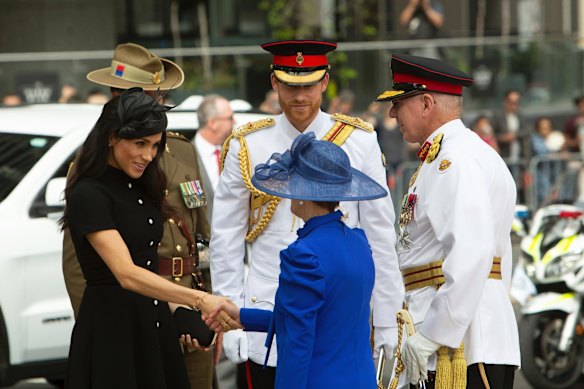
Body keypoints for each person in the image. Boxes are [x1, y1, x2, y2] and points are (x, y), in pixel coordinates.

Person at [210, 39, 403, 388]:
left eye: (309, 85)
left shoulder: (358, 140)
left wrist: (387, 316)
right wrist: (229, 311)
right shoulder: (247, 143)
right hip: (266, 315)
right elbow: (226, 237)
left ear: (326, 82)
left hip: (339, 319)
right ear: (273, 82)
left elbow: (379, 236)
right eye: (289, 85)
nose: (300, 96)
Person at [61, 42, 219, 389]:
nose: (148, 154)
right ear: (117, 100)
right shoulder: (90, 174)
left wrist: (203, 307)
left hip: (178, 311)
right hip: (125, 319)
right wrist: (99, 327)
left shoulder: (178, 150)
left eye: (159, 97)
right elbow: (83, 268)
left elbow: (201, 237)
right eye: (145, 98)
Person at [375, 53, 520, 388]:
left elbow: (474, 250)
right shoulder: (463, 153)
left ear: (427, 103)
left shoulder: (453, 161)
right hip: (467, 333)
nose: (393, 112)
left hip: (460, 345)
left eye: (400, 102)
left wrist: (434, 333)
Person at [205, 132, 387, 388]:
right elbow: (323, 320)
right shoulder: (358, 241)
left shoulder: (304, 254)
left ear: (303, 194)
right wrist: (244, 317)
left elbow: (298, 344)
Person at [192, 94, 236, 221]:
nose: (234, 122)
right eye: (230, 118)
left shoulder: (235, 153)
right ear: (213, 123)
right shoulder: (185, 157)